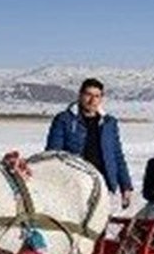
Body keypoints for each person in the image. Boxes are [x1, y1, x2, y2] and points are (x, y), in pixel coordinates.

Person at [45, 77, 133, 209]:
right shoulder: (64, 119)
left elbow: (117, 155)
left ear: (101, 98)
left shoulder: (109, 123)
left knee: (99, 227)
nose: (92, 100)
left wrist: (125, 186)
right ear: (80, 95)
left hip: (103, 183)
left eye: (97, 96)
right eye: (88, 95)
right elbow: (53, 153)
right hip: (74, 183)